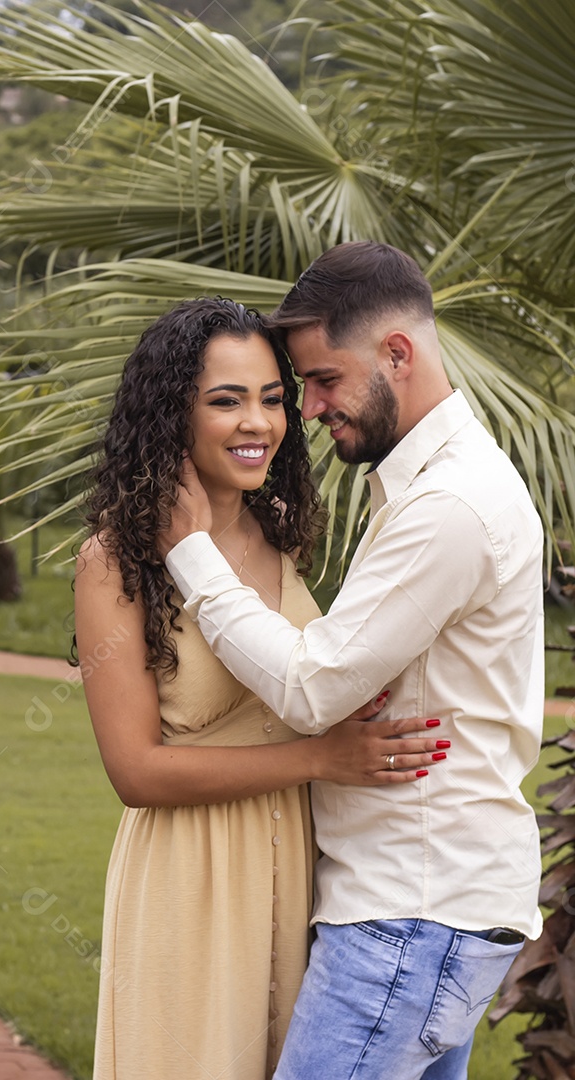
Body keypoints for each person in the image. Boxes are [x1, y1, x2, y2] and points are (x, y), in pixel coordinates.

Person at [160, 245, 544, 1080]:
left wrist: (192, 555)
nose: (306, 408)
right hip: (428, 907)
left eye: (323, 380)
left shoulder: (449, 504)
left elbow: (311, 686)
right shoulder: (428, 485)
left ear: (396, 355)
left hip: (411, 911)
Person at [74, 296, 447, 1080]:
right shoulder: (116, 559)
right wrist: (321, 758)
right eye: (226, 401)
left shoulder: (277, 531)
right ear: (171, 415)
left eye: (273, 399)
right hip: (190, 880)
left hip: (301, 872)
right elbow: (135, 773)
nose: (260, 423)